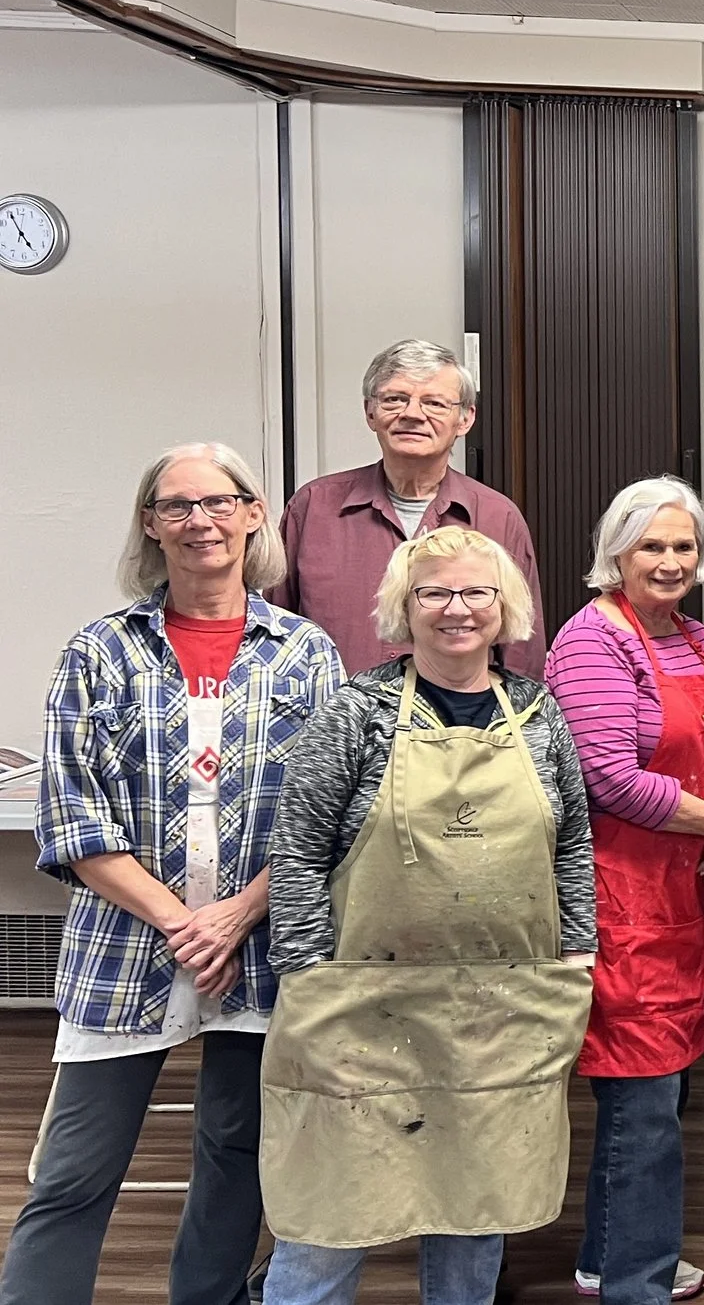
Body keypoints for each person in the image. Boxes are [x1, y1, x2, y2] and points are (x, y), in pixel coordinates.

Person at [2, 444, 342, 1305]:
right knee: (75, 1169)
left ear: (253, 514)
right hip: (123, 951)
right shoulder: (99, 651)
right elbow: (72, 815)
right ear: (151, 525)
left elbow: (329, 814)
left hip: (260, 951)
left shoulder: (305, 653)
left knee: (236, 1153)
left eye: (219, 502)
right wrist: (185, 922)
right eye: (177, 505)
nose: (201, 522)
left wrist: (237, 915)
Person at [257, 528, 594, 1304]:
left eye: (476, 591)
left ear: (504, 606)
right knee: (329, 1210)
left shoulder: (539, 714)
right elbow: (298, 848)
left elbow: (573, 843)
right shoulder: (357, 711)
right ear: (404, 608)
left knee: (475, 1207)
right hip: (361, 1009)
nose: (456, 609)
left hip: (502, 1008)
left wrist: (578, 952)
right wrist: (306, 971)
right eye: (434, 592)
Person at [548, 476, 704, 1305]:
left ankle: (607, 1257)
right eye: (652, 546)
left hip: (683, 899)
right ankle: (635, 1281)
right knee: (643, 1096)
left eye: (683, 546)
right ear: (617, 553)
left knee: (661, 1091)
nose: (670, 561)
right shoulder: (593, 641)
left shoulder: (693, 638)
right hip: (621, 899)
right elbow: (608, 778)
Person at [269, 339, 548, 677]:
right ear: (370, 412)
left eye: (434, 403)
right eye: (394, 399)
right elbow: (275, 635)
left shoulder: (497, 517)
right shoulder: (314, 508)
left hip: (458, 712)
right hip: (335, 710)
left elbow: (521, 652)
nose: (412, 414)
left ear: (465, 419)